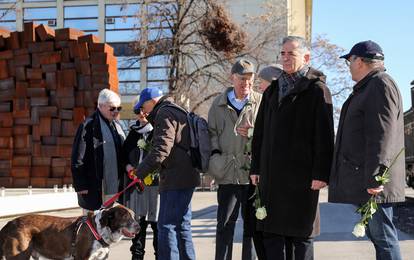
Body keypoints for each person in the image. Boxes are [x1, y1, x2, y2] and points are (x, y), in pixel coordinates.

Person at [250, 36, 334, 260]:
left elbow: (325, 136)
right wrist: (256, 168)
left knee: (300, 237)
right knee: (272, 235)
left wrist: (320, 173)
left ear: (306, 57)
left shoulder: (317, 90)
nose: (285, 58)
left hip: (302, 178)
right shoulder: (272, 90)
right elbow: (259, 133)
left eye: (291, 54)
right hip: (271, 178)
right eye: (283, 54)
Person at [329, 40, 405, 260]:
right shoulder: (369, 86)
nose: (349, 67)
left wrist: (376, 175)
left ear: (359, 61)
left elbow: (383, 134)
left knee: (384, 239)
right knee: (379, 238)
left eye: (349, 61)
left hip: (374, 182)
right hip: (366, 179)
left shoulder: (380, 84)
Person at [131, 87, 200, 260]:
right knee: (182, 226)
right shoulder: (178, 110)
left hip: (175, 178)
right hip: (188, 176)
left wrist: (139, 172)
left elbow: (161, 149)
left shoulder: (164, 113)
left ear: (151, 101)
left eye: (143, 107)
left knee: (166, 226)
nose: (143, 112)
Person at [208, 59, 262, 260]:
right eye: (242, 80)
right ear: (232, 78)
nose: (246, 85)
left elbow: (269, 133)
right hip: (227, 173)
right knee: (224, 226)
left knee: (252, 228)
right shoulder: (218, 103)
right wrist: (215, 161)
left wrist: (253, 133)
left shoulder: (261, 101)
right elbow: (211, 134)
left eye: (250, 80)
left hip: (252, 174)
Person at [71, 89, 126, 211]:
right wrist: (81, 185)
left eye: (119, 108)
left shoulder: (117, 126)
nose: (116, 111)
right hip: (94, 187)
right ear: (100, 106)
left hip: (115, 186)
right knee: (92, 225)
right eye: (112, 108)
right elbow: (78, 157)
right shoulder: (88, 126)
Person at [123, 105, 159, 260]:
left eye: (144, 109)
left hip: (156, 187)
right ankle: (137, 256)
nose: (141, 114)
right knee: (138, 227)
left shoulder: (158, 130)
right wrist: (128, 166)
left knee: (158, 228)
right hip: (137, 188)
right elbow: (123, 155)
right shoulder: (133, 133)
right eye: (138, 111)